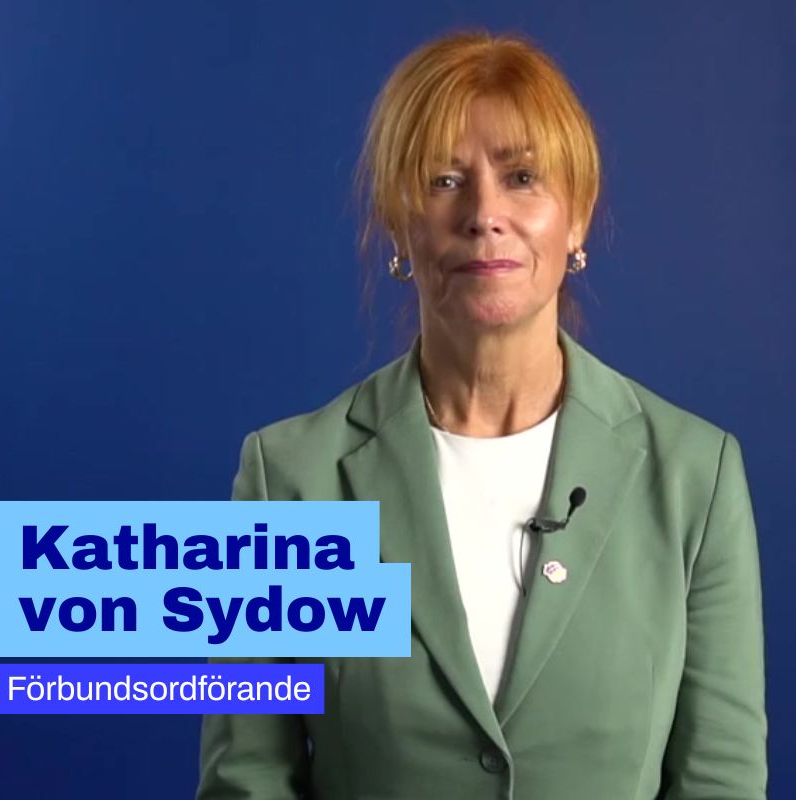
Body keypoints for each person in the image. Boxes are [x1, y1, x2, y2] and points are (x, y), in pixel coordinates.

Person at [198, 29, 767, 800]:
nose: (484, 214)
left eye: (523, 178)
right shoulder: (288, 481)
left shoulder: (696, 475)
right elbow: (248, 781)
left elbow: (721, 782)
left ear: (577, 217)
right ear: (398, 224)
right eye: (443, 181)